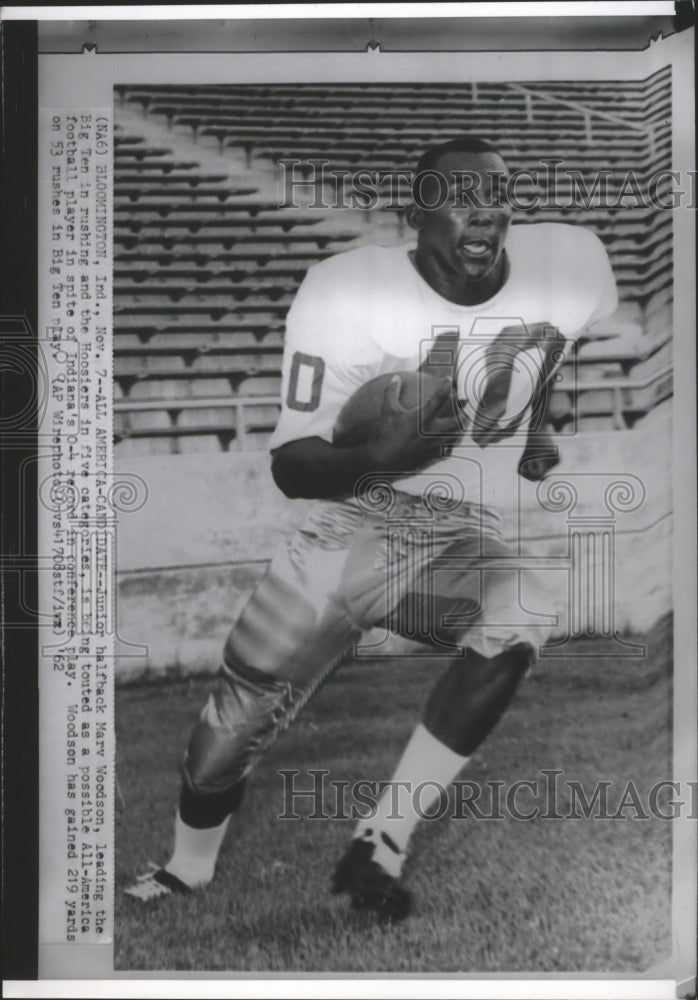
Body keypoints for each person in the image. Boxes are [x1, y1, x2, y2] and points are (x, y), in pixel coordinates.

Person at [125, 136, 618, 918]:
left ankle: (381, 839)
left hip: (458, 533)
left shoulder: (574, 264)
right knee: (232, 726)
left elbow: (550, 341)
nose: (483, 207)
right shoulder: (346, 291)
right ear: (414, 214)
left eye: (496, 192)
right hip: (355, 522)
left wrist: (538, 429)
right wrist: (379, 458)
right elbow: (292, 465)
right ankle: (189, 867)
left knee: (527, 603)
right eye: (457, 194)